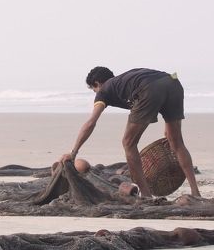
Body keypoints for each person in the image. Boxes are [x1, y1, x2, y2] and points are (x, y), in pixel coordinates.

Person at [64, 66, 201, 198]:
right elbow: (159, 89)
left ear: (97, 83)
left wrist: (74, 152)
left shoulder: (104, 90)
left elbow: (91, 123)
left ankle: (146, 195)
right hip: (172, 81)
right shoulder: (126, 79)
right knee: (176, 142)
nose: (96, 93)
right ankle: (195, 192)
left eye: (94, 90)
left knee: (128, 143)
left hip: (148, 88)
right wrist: (169, 131)